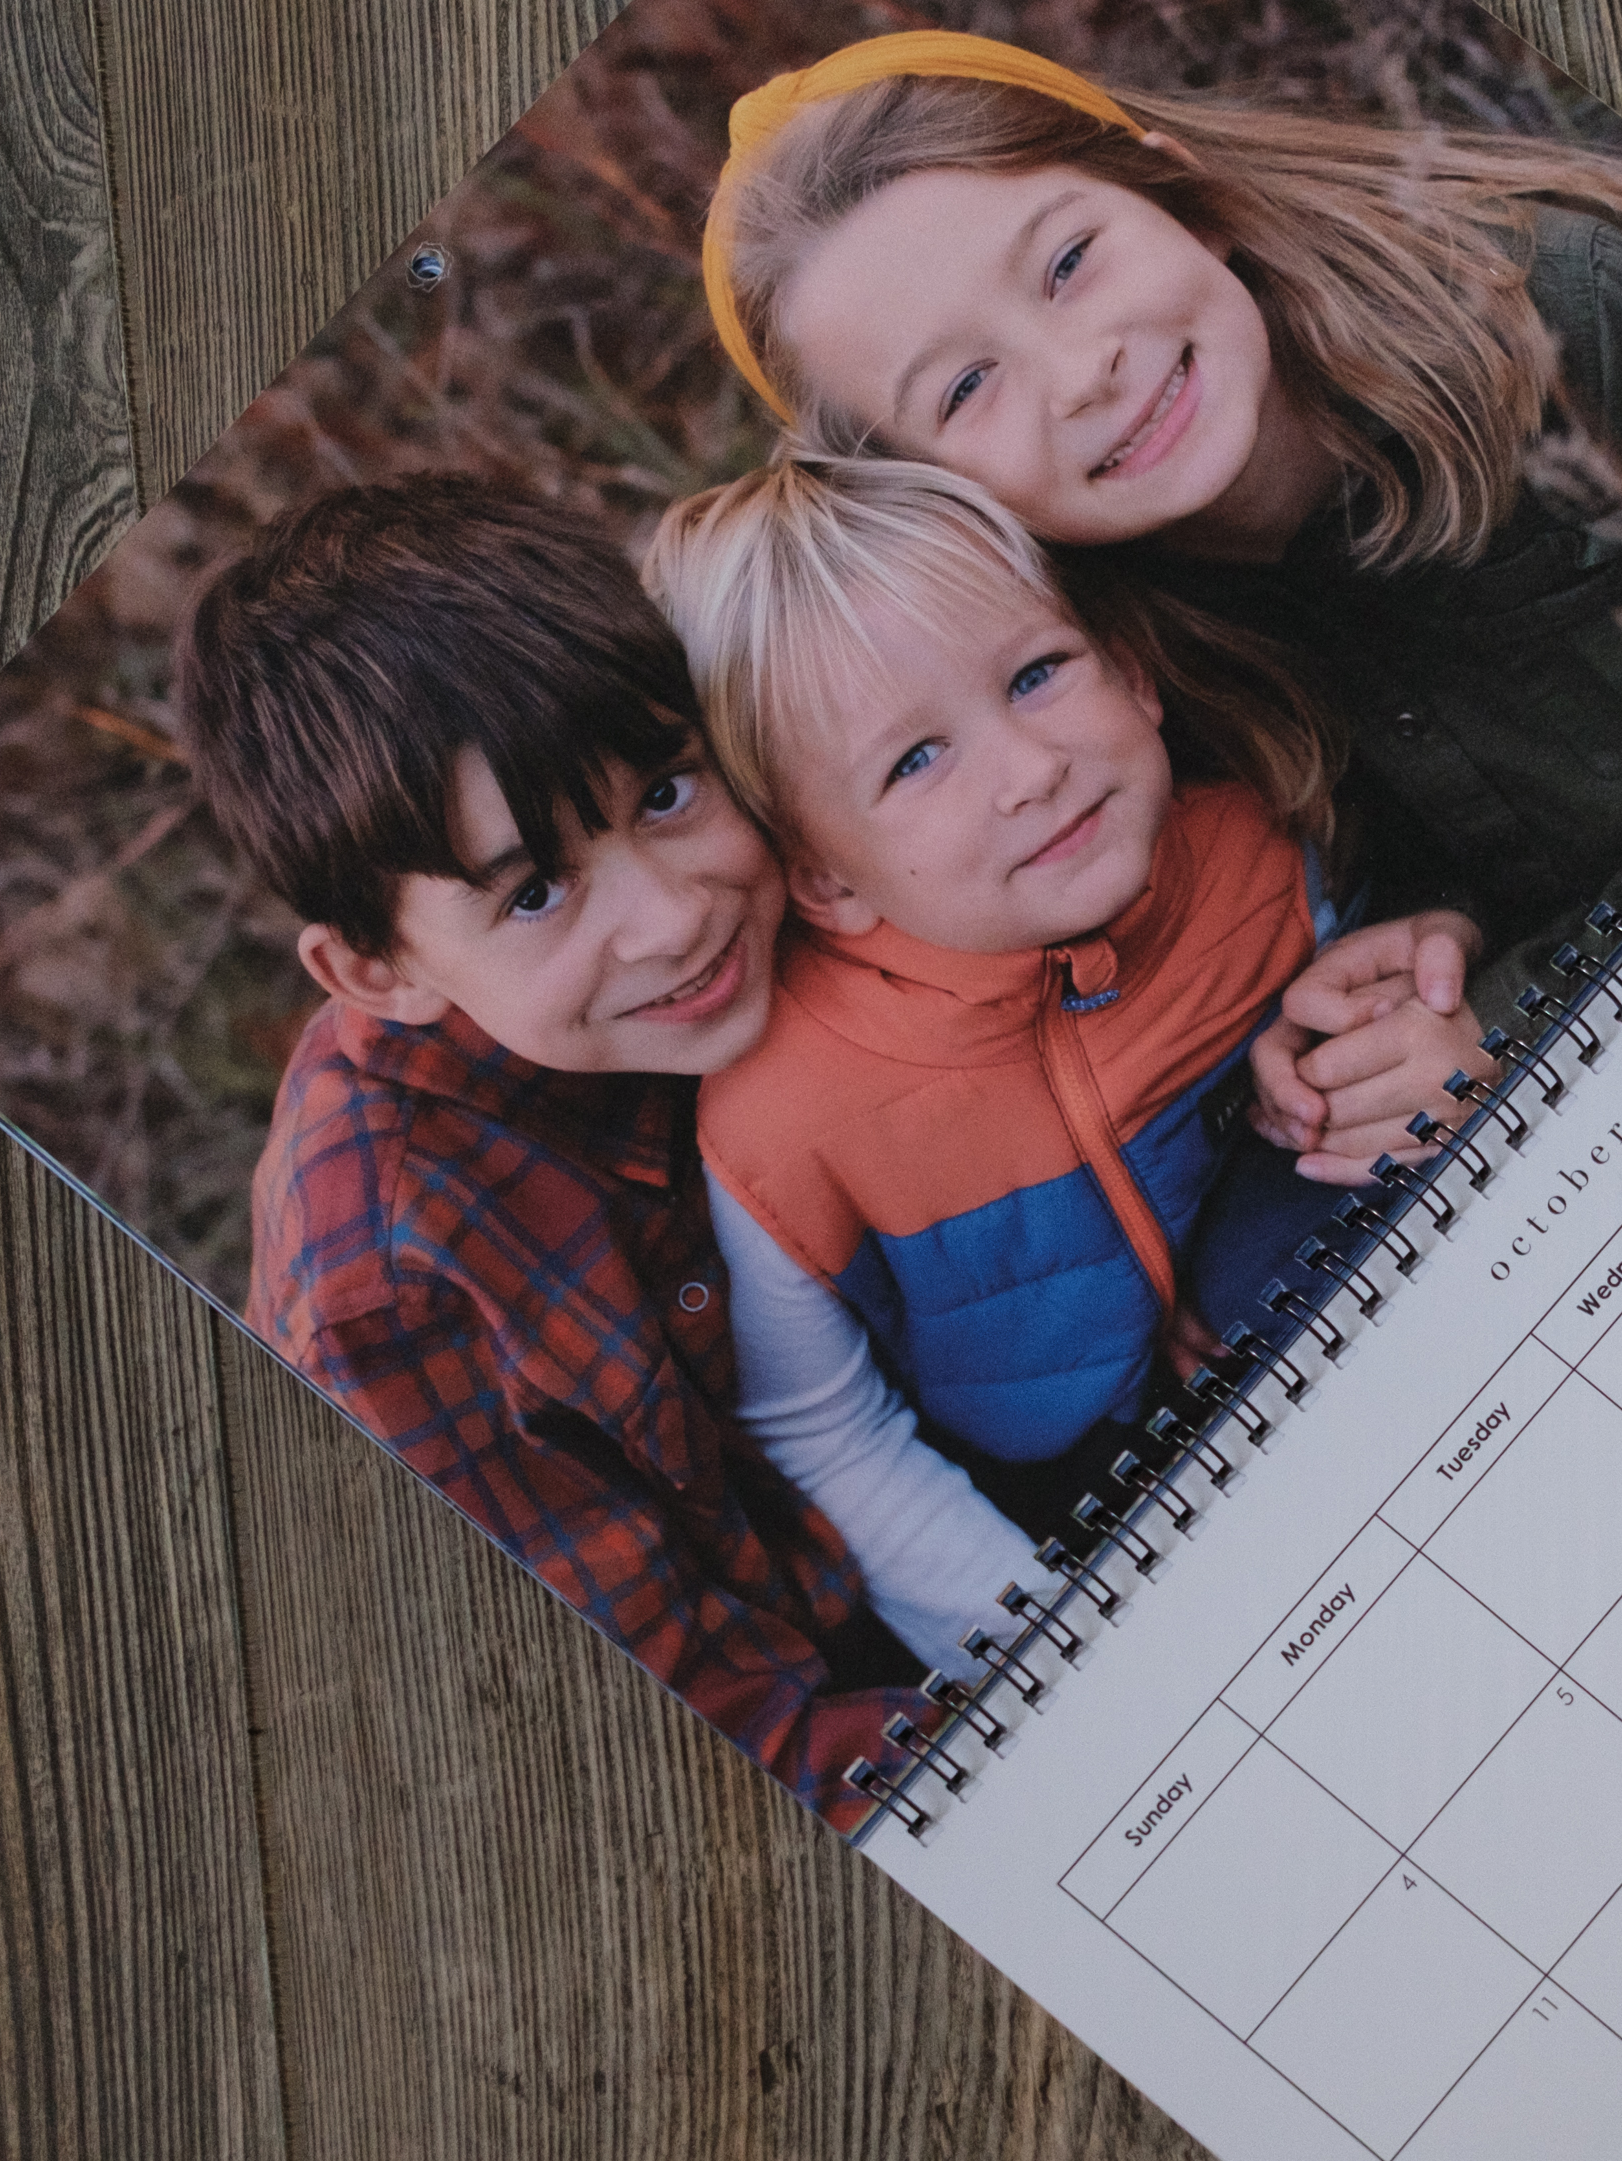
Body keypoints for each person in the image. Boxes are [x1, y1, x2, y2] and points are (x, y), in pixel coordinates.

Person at [695, 30, 1622, 1166]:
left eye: (1067, 264)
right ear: (929, 491)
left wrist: (1520, 1014)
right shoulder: (1098, 647)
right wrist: (1427, 955)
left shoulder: (1552, 327)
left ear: (1181, 196)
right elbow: (1503, 810)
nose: (1078, 371)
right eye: (966, 388)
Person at [180, 471, 1031, 1821]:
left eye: (669, 791)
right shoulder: (394, 1299)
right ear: (378, 970)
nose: (668, 917)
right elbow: (723, 1743)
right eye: (534, 893)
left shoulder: (806, 848)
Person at [646, 451, 1427, 1543]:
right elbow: (827, 1435)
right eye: (915, 760)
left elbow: (1389, 1010)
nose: (1028, 769)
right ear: (821, 874)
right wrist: (1032, 1631)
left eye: (1034, 676)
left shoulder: (1258, 848)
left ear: (1131, 674)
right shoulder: (784, 1115)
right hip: (1052, 1492)